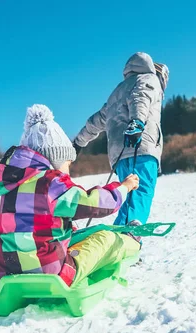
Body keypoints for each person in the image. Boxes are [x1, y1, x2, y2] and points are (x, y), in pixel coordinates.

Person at [0, 104, 141, 287]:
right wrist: (123, 187)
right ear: (54, 160)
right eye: (67, 164)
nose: (68, 171)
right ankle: (131, 241)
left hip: (4, 274)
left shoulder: (10, 187)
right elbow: (97, 203)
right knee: (105, 239)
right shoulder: (52, 184)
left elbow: (34, 225)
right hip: (51, 273)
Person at [73, 52, 169, 226]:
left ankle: (122, 237)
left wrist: (79, 141)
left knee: (129, 192)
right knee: (142, 191)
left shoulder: (117, 91)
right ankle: (129, 230)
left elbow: (98, 120)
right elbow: (140, 98)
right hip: (140, 144)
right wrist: (137, 123)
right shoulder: (149, 79)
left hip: (119, 154)